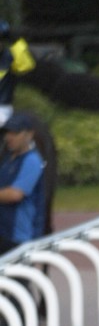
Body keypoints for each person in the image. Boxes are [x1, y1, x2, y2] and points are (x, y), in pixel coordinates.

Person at [0, 109, 48, 254]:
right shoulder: (8, 160)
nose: (9, 137)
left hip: (19, 239)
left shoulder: (32, 161)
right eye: (8, 133)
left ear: (29, 134)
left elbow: (15, 194)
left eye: (15, 133)